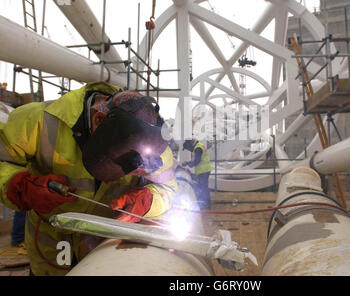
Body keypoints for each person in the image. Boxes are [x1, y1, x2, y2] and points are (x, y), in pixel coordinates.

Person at [0, 82, 177, 276]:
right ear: (99, 120)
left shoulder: (157, 151)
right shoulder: (39, 121)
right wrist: (20, 187)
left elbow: (168, 189)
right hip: (50, 256)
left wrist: (148, 201)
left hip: (105, 257)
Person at [182, 139, 211, 210]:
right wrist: (188, 162)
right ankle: (206, 204)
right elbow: (197, 159)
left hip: (203, 171)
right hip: (204, 170)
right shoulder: (199, 146)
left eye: (188, 148)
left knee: (203, 188)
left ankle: (205, 205)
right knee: (204, 188)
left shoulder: (198, 148)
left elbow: (197, 161)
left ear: (190, 144)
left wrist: (188, 164)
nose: (190, 150)